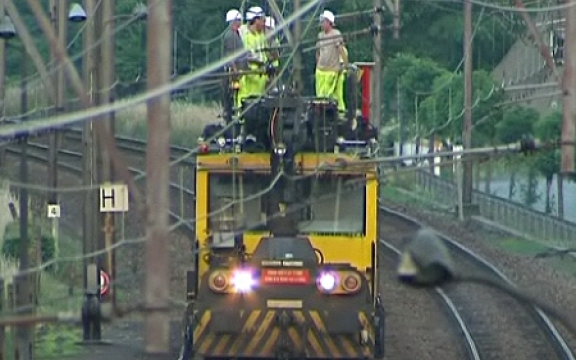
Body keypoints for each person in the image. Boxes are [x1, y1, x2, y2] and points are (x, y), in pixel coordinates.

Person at [237, 6, 275, 108]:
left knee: (259, 104)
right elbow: (247, 57)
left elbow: (267, 54)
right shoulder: (245, 36)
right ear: (256, 20)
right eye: (262, 20)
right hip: (249, 76)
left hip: (260, 77)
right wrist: (261, 63)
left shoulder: (261, 36)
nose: (264, 23)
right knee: (246, 102)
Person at [315, 10, 349, 113]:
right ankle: (321, 114)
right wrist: (317, 64)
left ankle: (338, 114)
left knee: (332, 97)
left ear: (329, 22)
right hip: (321, 71)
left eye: (323, 21)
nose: (321, 24)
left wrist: (345, 65)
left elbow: (341, 50)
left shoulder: (336, 34)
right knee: (320, 96)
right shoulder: (320, 36)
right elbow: (318, 51)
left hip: (332, 70)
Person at [222, 9, 245, 122]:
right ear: (234, 21)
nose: (241, 22)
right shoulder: (230, 35)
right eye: (239, 20)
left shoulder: (237, 34)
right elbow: (230, 56)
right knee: (230, 101)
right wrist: (235, 71)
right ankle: (229, 123)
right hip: (231, 73)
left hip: (237, 73)